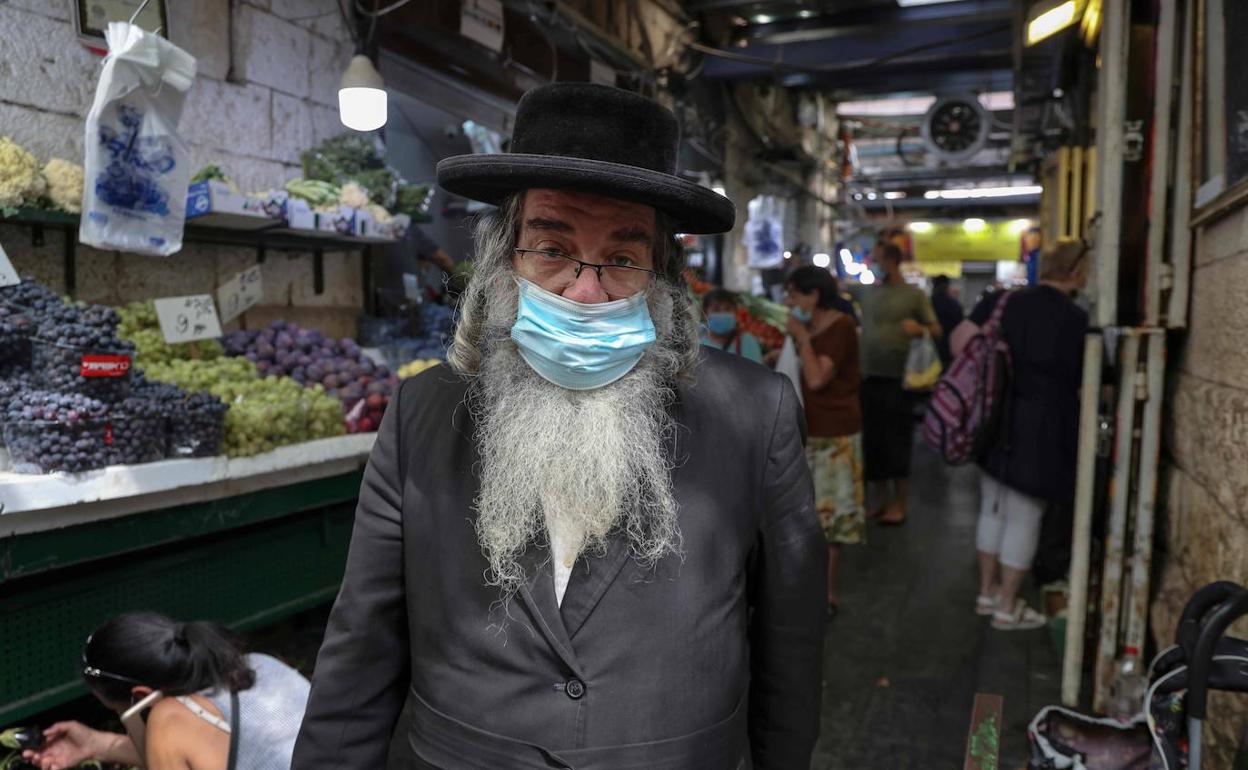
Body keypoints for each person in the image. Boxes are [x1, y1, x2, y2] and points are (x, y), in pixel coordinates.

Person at [292, 83, 825, 769]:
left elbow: (792, 643)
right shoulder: (422, 413)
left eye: (624, 259)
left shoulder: (756, 411)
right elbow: (362, 646)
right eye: (551, 247)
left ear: (661, 276)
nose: (584, 291)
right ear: (502, 259)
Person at [956, 239, 1089, 631]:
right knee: (1025, 516)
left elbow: (960, 343)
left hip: (997, 417)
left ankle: (986, 592)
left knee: (992, 507)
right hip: (1044, 426)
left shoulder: (1006, 302)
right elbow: (1091, 378)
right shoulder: (1076, 319)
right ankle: (1007, 606)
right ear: (1077, 272)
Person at [22, 612, 310, 770]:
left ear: (140, 696)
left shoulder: (168, 719)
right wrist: (97, 744)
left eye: (115, 709)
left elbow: (173, 745)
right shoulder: (259, 664)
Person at [785, 266, 864, 621]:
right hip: (809, 431)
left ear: (813, 295)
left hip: (836, 435)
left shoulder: (840, 327)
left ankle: (825, 595)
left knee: (829, 522)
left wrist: (800, 338)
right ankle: (803, 589)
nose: (790, 302)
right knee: (806, 517)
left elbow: (817, 378)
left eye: (794, 294)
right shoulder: (816, 326)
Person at [856, 242, 941, 525]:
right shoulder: (869, 293)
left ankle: (899, 503)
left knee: (897, 443)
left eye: (877, 259)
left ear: (892, 261)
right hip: (869, 377)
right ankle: (878, 500)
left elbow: (936, 330)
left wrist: (920, 330)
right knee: (873, 443)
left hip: (899, 380)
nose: (874, 264)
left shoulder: (914, 295)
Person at [700, 288, 764, 363]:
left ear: (735, 311)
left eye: (728, 309)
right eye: (716, 309)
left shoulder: (746, 341)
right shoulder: (699, 343)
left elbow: (755, 372)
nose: (723, 314)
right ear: (704, 314)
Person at [929, 275, 964, 367]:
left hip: (930, 350)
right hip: (950, 350)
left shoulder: (928, 304)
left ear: (934, 285)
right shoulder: (955, 305)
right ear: (947, 286)